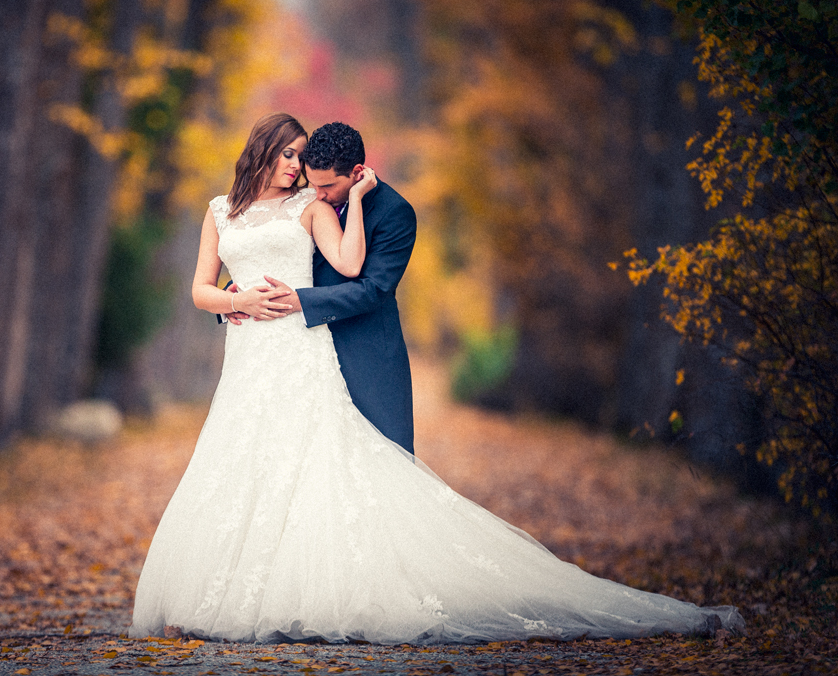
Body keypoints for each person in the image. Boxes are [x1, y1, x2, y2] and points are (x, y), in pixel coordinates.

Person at [129, 112, 744, 644]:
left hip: (303, 346)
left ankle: (321, 591)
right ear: (262, 151)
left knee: (322, 463)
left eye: (305, 160)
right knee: (244, 460)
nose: (296, 169)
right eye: (289, 156)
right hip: (250, 356)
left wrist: (347, 224)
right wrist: (237, 303)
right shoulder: (221, 210)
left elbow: (355, 273)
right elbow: (200, 289)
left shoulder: (318, 209)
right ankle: (228, 592)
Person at [225, 121, 417, 453]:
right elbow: (285, 252)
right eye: (312, 183)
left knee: (385, 465)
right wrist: (241, 290)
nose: (318, 194)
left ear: (357, 173)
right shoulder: (304, 201)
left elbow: (372, 290)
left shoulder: (394, 213)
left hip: (366, 356)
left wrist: (298, 300)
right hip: (304, 356)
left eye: (326, 186)